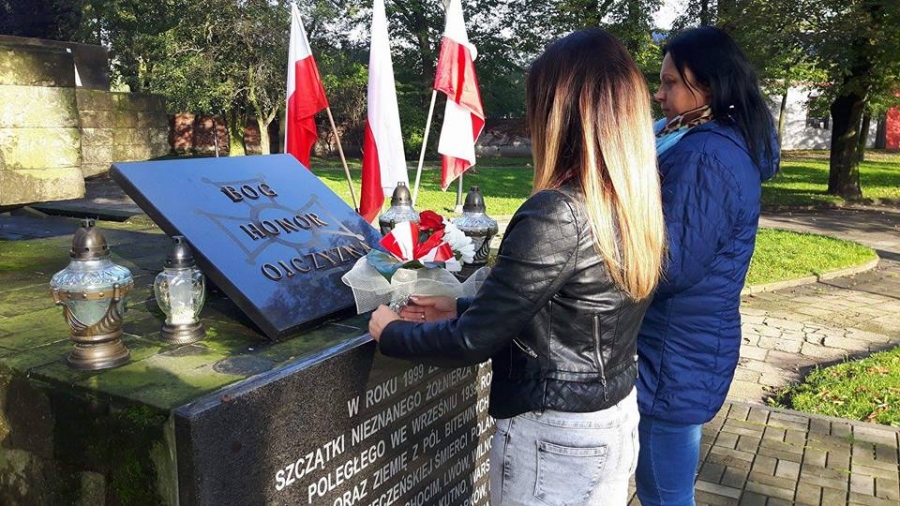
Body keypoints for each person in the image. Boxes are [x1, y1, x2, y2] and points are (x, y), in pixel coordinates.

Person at [368, 29, 666, 506]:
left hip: (556, 435)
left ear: (559, 113)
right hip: (609, 413)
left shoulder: (557, 212)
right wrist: (461, 305)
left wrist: (390, 333)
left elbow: (473, 342)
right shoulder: (630, 200)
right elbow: (569, 305)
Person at [635, 26, 780, 506]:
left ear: (710, 88)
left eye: (670, 82)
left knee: (665, 494)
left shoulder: (703, 155)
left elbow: (670, 265)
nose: (659, 94)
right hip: (684, 345)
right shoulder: (702, 141)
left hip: (672, 351)